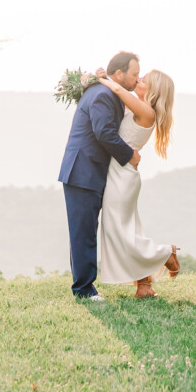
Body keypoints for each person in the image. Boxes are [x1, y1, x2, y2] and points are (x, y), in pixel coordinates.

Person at [57, 51, 143, 301]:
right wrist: (130, 155)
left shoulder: (107, 93)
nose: (137, 80)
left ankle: (85, 285)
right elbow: (104, 132)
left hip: (88, 171)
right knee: (83, 231)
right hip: (82, 171)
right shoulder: (103, 95)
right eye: (134, 75)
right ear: (118, 74)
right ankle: (84, 289)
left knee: (85, 230)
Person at [91, 67, 180, 298]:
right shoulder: (138, 108)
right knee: (127, 229)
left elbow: (119, 89)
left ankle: (165, 253)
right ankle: (144, 286)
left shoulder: (146, 112)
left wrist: (102, 79)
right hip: (120, 172)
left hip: (122, 176)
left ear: (152, 90)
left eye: (143, 80)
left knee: (117, 231)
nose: (138, 80)